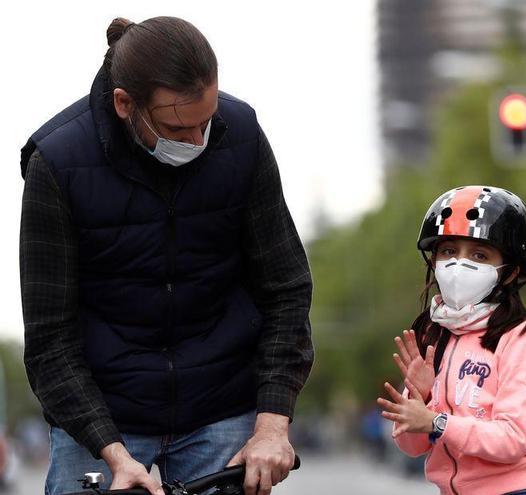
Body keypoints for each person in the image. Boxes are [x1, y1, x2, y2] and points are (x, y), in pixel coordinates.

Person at [19, 17, 313, 495]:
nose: (199, 142)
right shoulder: (55, 164)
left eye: (207, 121)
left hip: (220, 403)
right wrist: (111, 453)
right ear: (124, 105)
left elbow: (286, 288)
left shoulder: (240, 137)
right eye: (179, 127)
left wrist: (272, 424)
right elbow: (50, 340)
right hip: (102, 418)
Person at [377, 185, 526, 495]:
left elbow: (515, 438)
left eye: (479, 254)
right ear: (434, 260)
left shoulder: (520, 338)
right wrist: (422, 395)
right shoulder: (435, 334)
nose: (459, 264)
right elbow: (410, 445)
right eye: (448, 251)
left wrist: (436, 422)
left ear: (510, 272)